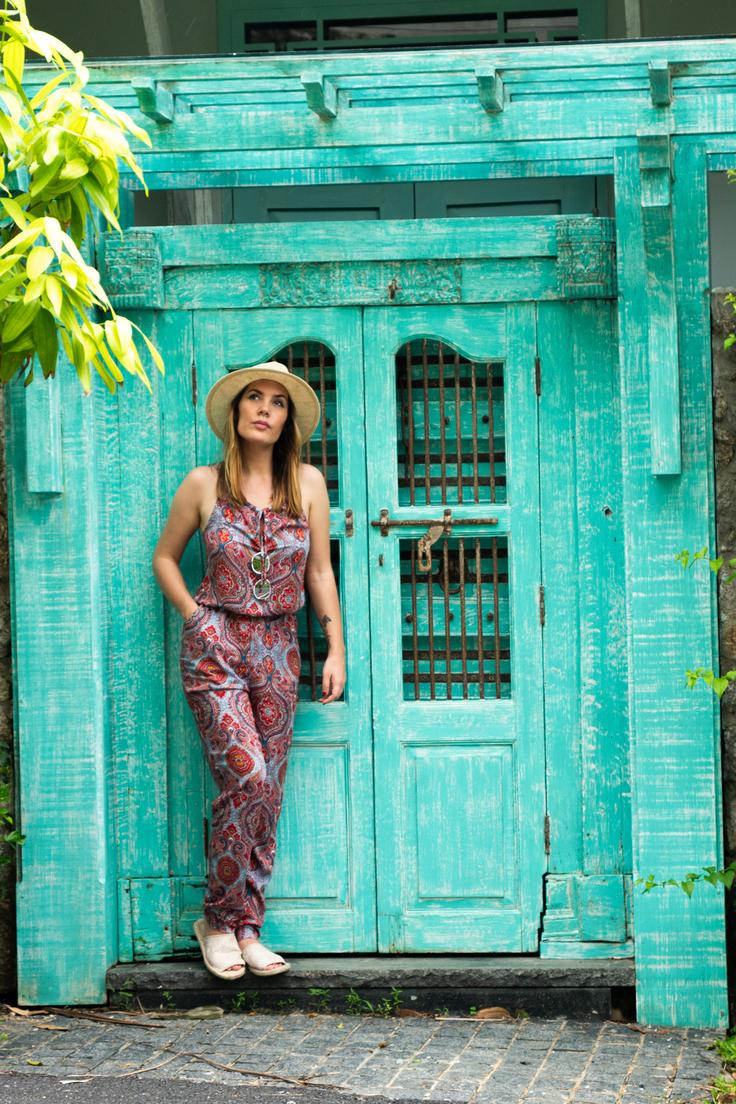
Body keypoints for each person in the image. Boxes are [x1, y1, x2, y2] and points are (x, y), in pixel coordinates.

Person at [152, 360, 346, 981]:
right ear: (235, 413)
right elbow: (163, 559)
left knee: (270, 788)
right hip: (216, 643)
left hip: (280, 647)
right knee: (248, 774)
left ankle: (246, 926)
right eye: (254, 398)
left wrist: (334, 648)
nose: (265, 409)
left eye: (278, 402)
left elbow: (318, 572)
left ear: (289, 420)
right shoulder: (204, 483)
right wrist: (195, 617)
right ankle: (216, 917)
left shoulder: (308, 484)